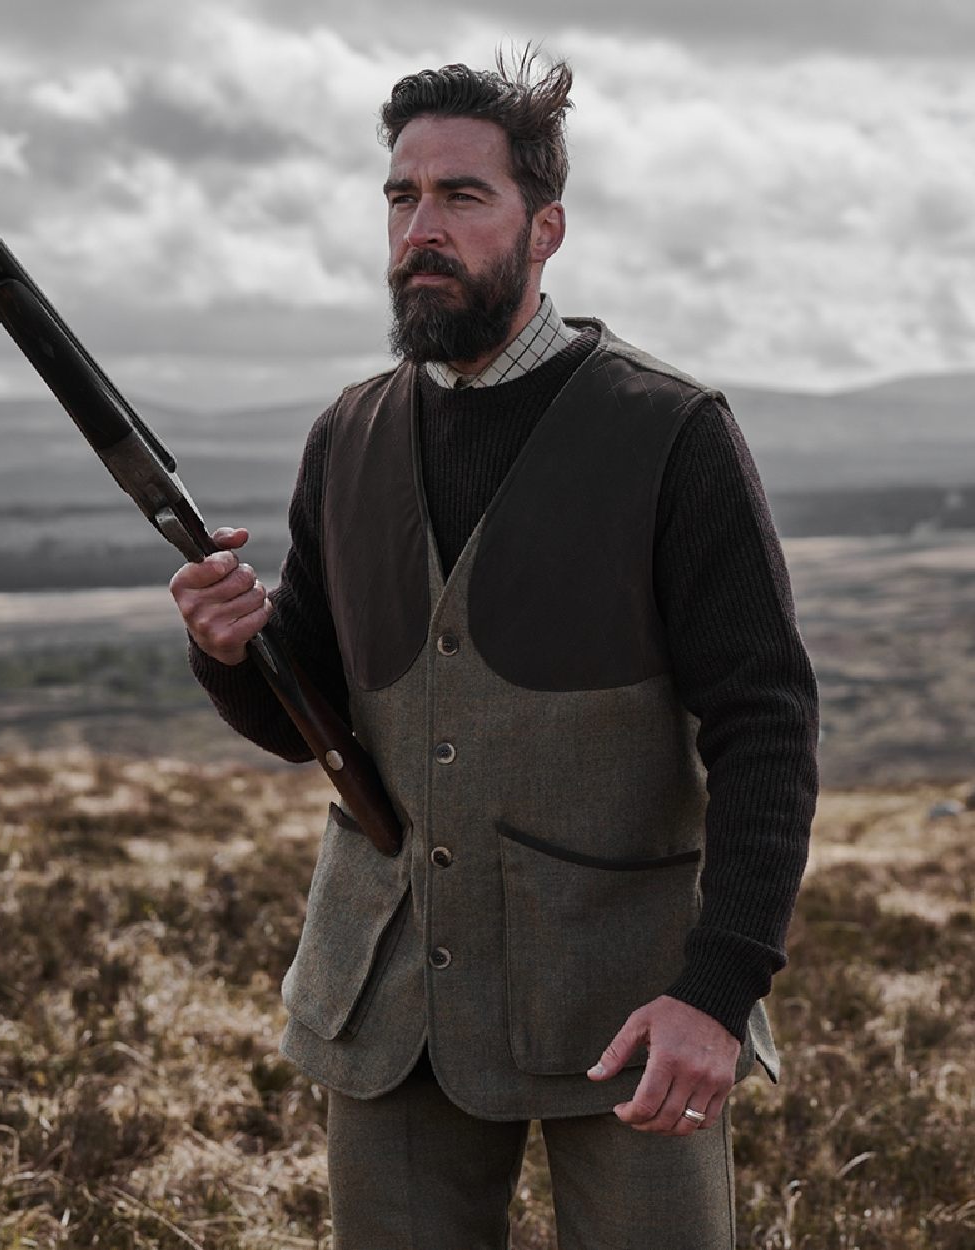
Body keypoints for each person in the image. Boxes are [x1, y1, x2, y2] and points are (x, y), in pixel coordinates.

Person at [170, 51, 819, 1250]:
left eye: (462, 196)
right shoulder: (346, 436)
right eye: (401, 196)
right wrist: (231, 651)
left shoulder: (672, 431)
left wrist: (716, 990)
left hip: (629, 1004)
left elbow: (766, 723)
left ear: (545, 225)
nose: (422, 226)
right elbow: (305, 711)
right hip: (391, 992)